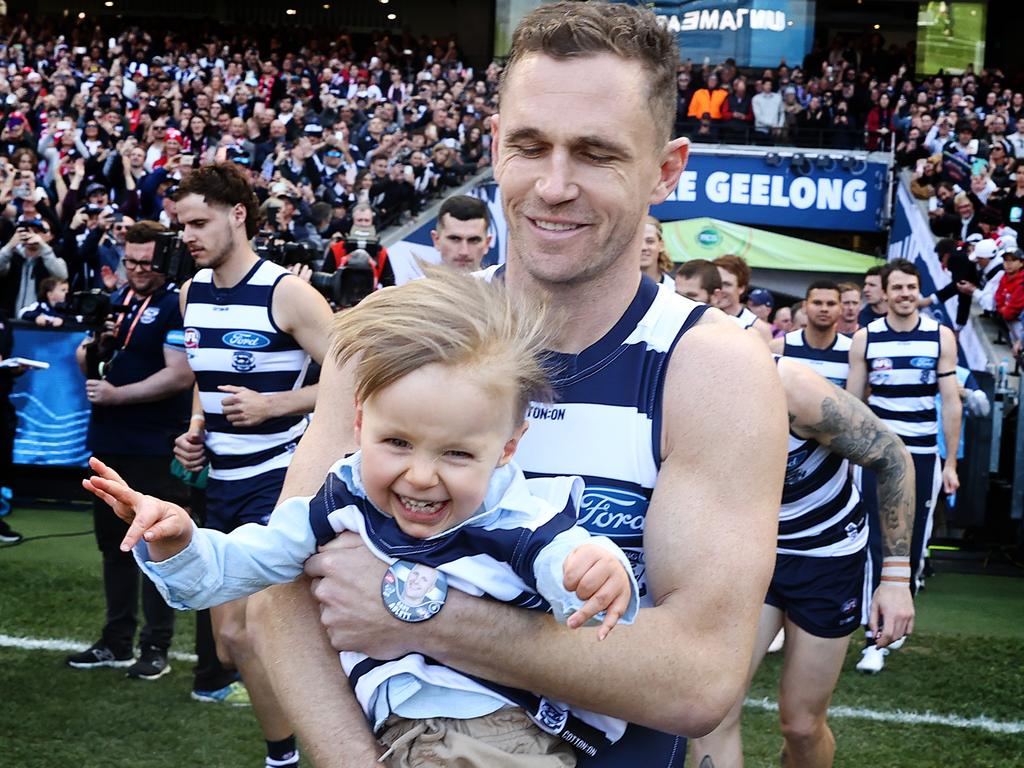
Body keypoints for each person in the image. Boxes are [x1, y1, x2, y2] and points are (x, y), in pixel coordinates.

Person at [248, 4, 787, 766]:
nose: (555, 185)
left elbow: (697, 680)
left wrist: (421, 612)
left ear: (666, 170)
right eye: (531, 146)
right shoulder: (394, 335)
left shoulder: (711, 369)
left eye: (597, 154)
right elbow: (282, 596)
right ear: (496, 146)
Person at [84, 273, 642, 767]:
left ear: (506, 448)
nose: (421, 476)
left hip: (493, 733)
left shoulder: (518, 516)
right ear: (358, 424)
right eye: (397, 442)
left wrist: (596, 570)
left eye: (456, 454)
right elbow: (245, 563)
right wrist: (178, 540)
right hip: (393, 731)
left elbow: (567, 572)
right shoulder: (340, 497)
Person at [172, 163, 335, 768]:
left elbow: (359, 375)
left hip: (281, 476)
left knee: (259, 629)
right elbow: (205, 380)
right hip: (222, 483)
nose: (187, 235)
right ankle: (289, 753)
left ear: (237, 215)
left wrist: (277, 402)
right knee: (229, 640)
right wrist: (194, 431)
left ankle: (292, 756)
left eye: (197, 222)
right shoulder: (191, 292)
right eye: (180, 225)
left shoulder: (285, 292)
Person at [691, 354, 915, 768]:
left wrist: (897, 580)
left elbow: (893, 457)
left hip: (827, 559)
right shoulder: (672, 388)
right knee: (709, 712)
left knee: (800, 725)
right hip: (751, 554)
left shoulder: (789, 386)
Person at [64, 221, 194, 680]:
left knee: (155, 545)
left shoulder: (174, 303)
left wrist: (119, 395)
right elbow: (87, 362)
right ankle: (116, 639)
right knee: (112, 547)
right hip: (110, 442)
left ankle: (155, 646)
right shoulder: (120, 300)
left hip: (153, 444)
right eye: (131, 261)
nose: (137, 270)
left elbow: (180, 374)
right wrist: (96, 346)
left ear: (165, 259)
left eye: (147, 262)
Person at [847, 258, 961, 674]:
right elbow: (854, 405)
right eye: (897, 288)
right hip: (877, 459)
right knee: (873, 544)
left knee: (911, 545)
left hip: (922, 460)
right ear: (885, 292)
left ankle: (897, 621)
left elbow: (950, 402)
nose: (905, 295)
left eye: (911, 288)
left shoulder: (939, 336)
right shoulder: (865, 338)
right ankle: (872, 636)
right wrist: (849, 461)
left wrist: (950, 462)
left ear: (918, 291)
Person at [770, 280, 852, 388]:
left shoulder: (851, 351)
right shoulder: (779, 348)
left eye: (831, 304)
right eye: (817, 303)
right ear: (805, 306)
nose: (824, 309)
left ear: (841, 308)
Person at [322, 203, 395, 289]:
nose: (363, 224)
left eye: (366, 220)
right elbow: (325, 279)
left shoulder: (381, 252)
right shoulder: (336, 249)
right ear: (352, 221)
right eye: (359, 220)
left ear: (373, 222)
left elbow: (389, 284)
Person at [713, 255, 773, 342]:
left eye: (726, 284)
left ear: (741, 288)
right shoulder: (700, 316)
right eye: (715, 282)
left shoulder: (759, 329)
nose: (719, 289)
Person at [430, 194, 492, 272]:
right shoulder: (416, 284)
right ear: (436, 240)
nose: (464, 252)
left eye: (473, 240)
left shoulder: (507, 283)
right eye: (455, 239)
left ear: (487, 243)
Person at [639, 215, 674, 288]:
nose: (643, 247)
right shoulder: (614, 289)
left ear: (661, 245)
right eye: (637, 242)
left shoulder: (675, 290)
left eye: (650, 241)